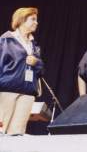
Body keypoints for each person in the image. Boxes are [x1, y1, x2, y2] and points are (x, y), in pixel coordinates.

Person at [0, 7, 43, 135]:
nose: (36, 22)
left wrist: (37, 62)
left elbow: (41, 70)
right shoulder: (5, 40)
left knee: (17, 133)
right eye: (33, 19)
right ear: (22, 20)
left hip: (27, 92)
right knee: (2, 130)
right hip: (7, 91)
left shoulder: (34, 45)